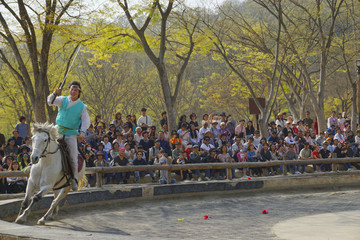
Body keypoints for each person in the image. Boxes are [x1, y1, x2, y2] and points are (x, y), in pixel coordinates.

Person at [47, 81, 91, 191]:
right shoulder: (62, 99)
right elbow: (50, 102)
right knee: (44, 142)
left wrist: (82, 132)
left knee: (73, 156)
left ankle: (75, 179)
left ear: (79, 92)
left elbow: (86, 121)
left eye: (75, 90)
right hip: (58, 129)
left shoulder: (82, 107)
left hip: (71, 133)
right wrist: (54, 93)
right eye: (71, 89)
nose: (73, 91)